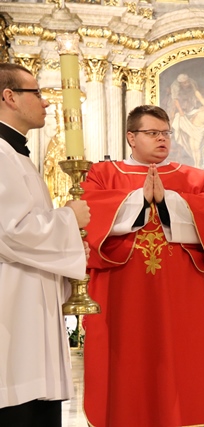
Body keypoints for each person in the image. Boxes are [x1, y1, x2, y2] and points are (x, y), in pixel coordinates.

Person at [81, 105, 204, 427]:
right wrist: (137, 201)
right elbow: (88, 214)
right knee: (124, 363)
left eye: (165, 133)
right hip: (121, 293)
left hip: (180, 296)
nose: (162, 139)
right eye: (152, 133)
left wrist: (167, 201)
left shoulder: (195, 178)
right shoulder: (102, 174)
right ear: (131, 137)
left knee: (181, 363)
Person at [0, 63, 91, 426]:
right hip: (13, 305)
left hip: (28, 301)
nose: (46, 102)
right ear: (9, 97)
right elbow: (11, 231)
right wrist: (68, 219)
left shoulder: (17, 155)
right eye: (36, 93)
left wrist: (68, 241)